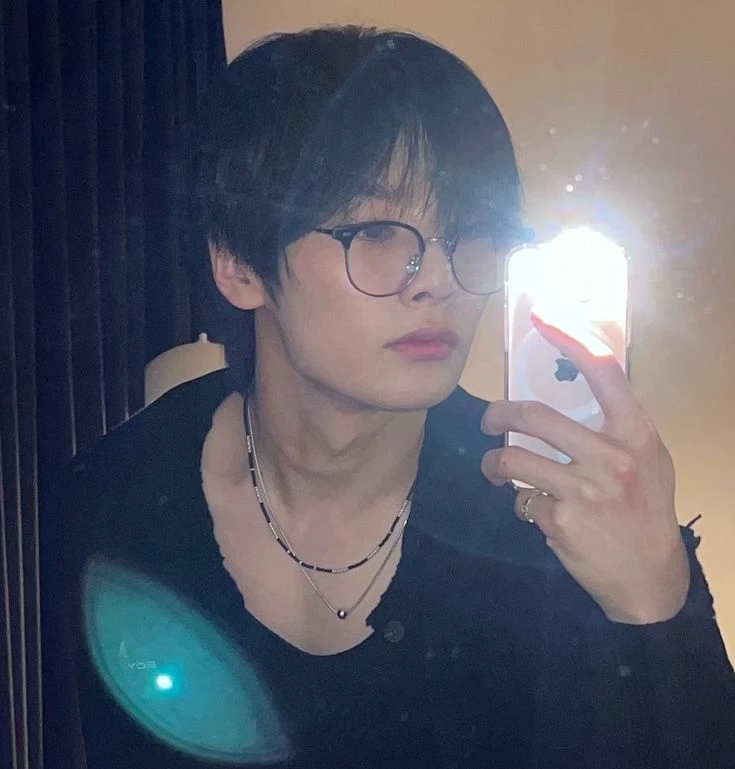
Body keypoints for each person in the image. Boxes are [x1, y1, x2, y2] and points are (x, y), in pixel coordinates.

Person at [41, 25, 735, 769]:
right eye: (375, 231)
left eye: (472, 231)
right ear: (239, 264)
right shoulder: (113, 506)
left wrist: (656, 601)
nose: (438, 279)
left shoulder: (541, 514)